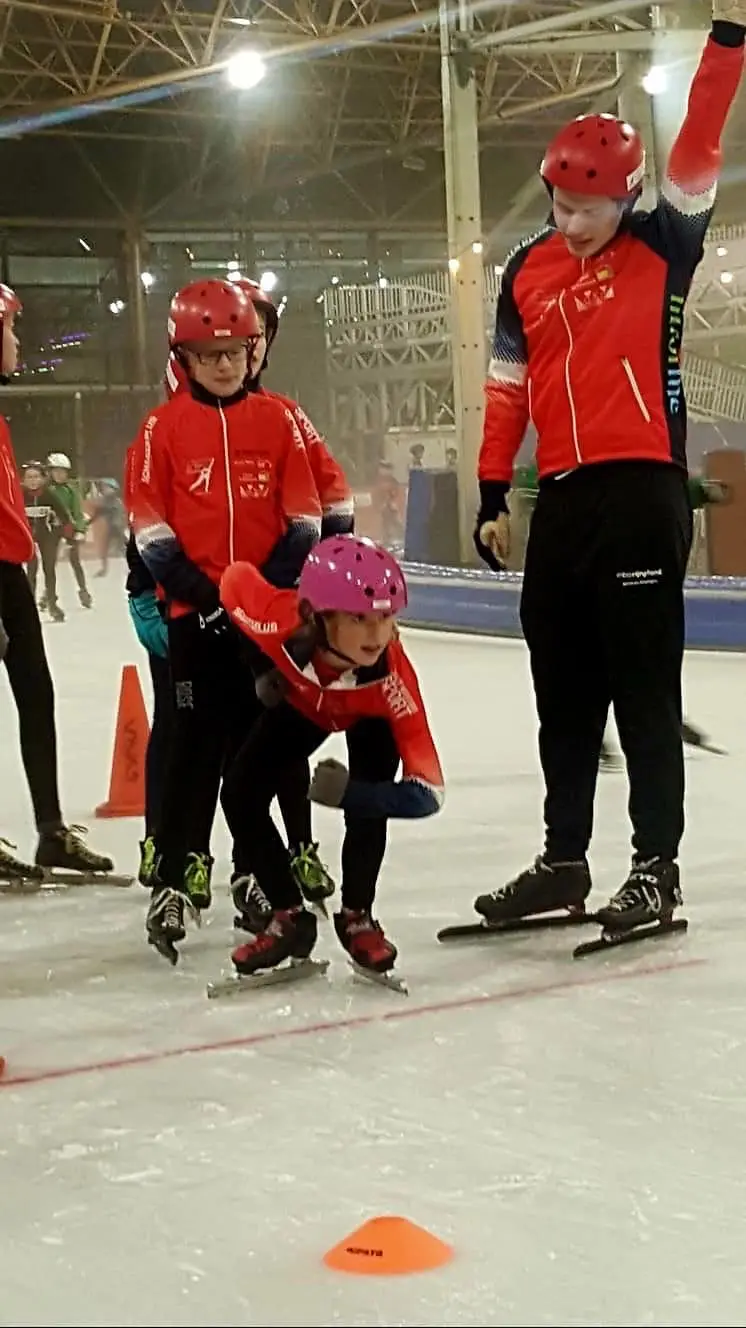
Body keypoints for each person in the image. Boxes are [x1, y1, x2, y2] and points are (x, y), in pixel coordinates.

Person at [473, 2, 745, 937]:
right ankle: (563, 861)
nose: (571, 220)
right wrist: (488, 489)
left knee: (642, 690)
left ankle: (655, 867)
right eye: (560, 202)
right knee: (563, 693)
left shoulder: (663, 246)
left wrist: (727, 43)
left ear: (625, 197)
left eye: (588, 206)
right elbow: (507, 387)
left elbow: (701, 144)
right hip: (563, 496)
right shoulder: (525, 268)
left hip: (643, 487)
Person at [127, 278, 322, 960]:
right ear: (182, 358)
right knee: (190, 750)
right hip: (193, 619)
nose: (225, 364)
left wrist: (253, 597)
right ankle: (177, 880)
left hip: (264, 620)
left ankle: (257, 876)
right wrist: (208, 601)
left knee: (257, 750)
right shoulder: (161, 429)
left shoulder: (280, 420)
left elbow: (305, 518)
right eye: (208, 354)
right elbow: (150, 532)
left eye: (235, 350)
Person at [164, 276, 354, 908]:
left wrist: (322, 569)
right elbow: (159, 510)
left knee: (273, 729)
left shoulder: (283, 417)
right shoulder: (178, 410)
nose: (246, 352)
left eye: (256, 338)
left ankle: (287, 851)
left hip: (273, 603)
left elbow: (330, 496)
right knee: (195, 736)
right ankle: (181, 859)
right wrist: (162, 588)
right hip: (194, 607)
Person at [218, 535, 445, 978]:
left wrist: (352, 795)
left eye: (385, 618)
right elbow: (233, 581)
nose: (377, 636)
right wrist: (261, 669)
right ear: (314, 617)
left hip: (370, 712)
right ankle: (289, 917)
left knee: (369, 806)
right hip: (307, 705)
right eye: (360, 619)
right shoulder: (274, 622)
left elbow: (430, 793)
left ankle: (357, 916)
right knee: (240, 795)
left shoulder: (392, 681)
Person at [0, 285, 114, 883]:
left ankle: (50, 831)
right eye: (11, 329)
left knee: (35, 694)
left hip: (9, 574)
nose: (17, 342)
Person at [21, 461, 71, 622]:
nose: (33, 481)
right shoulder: (20, 495)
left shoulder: (49, 495)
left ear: (43, 478)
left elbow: (64, 515)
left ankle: (52, 603)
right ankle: (29, 606)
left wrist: (68, 533)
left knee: (49, 569)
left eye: (36, 477)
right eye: (29, 477)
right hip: (27, 537)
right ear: (24, 480)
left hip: (48, 536)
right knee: (31, 570)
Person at [45, 453, 92, 608]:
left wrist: (80, 530)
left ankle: (83, 589)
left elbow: (77, 512)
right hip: (52, 529)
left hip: (68, 528)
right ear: (50, 472)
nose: (59, 475)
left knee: (75, 560)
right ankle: (48, 594)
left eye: (63, 471)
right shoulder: (46, 490)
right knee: (49, 563)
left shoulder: (71, 490)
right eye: (56, 471)